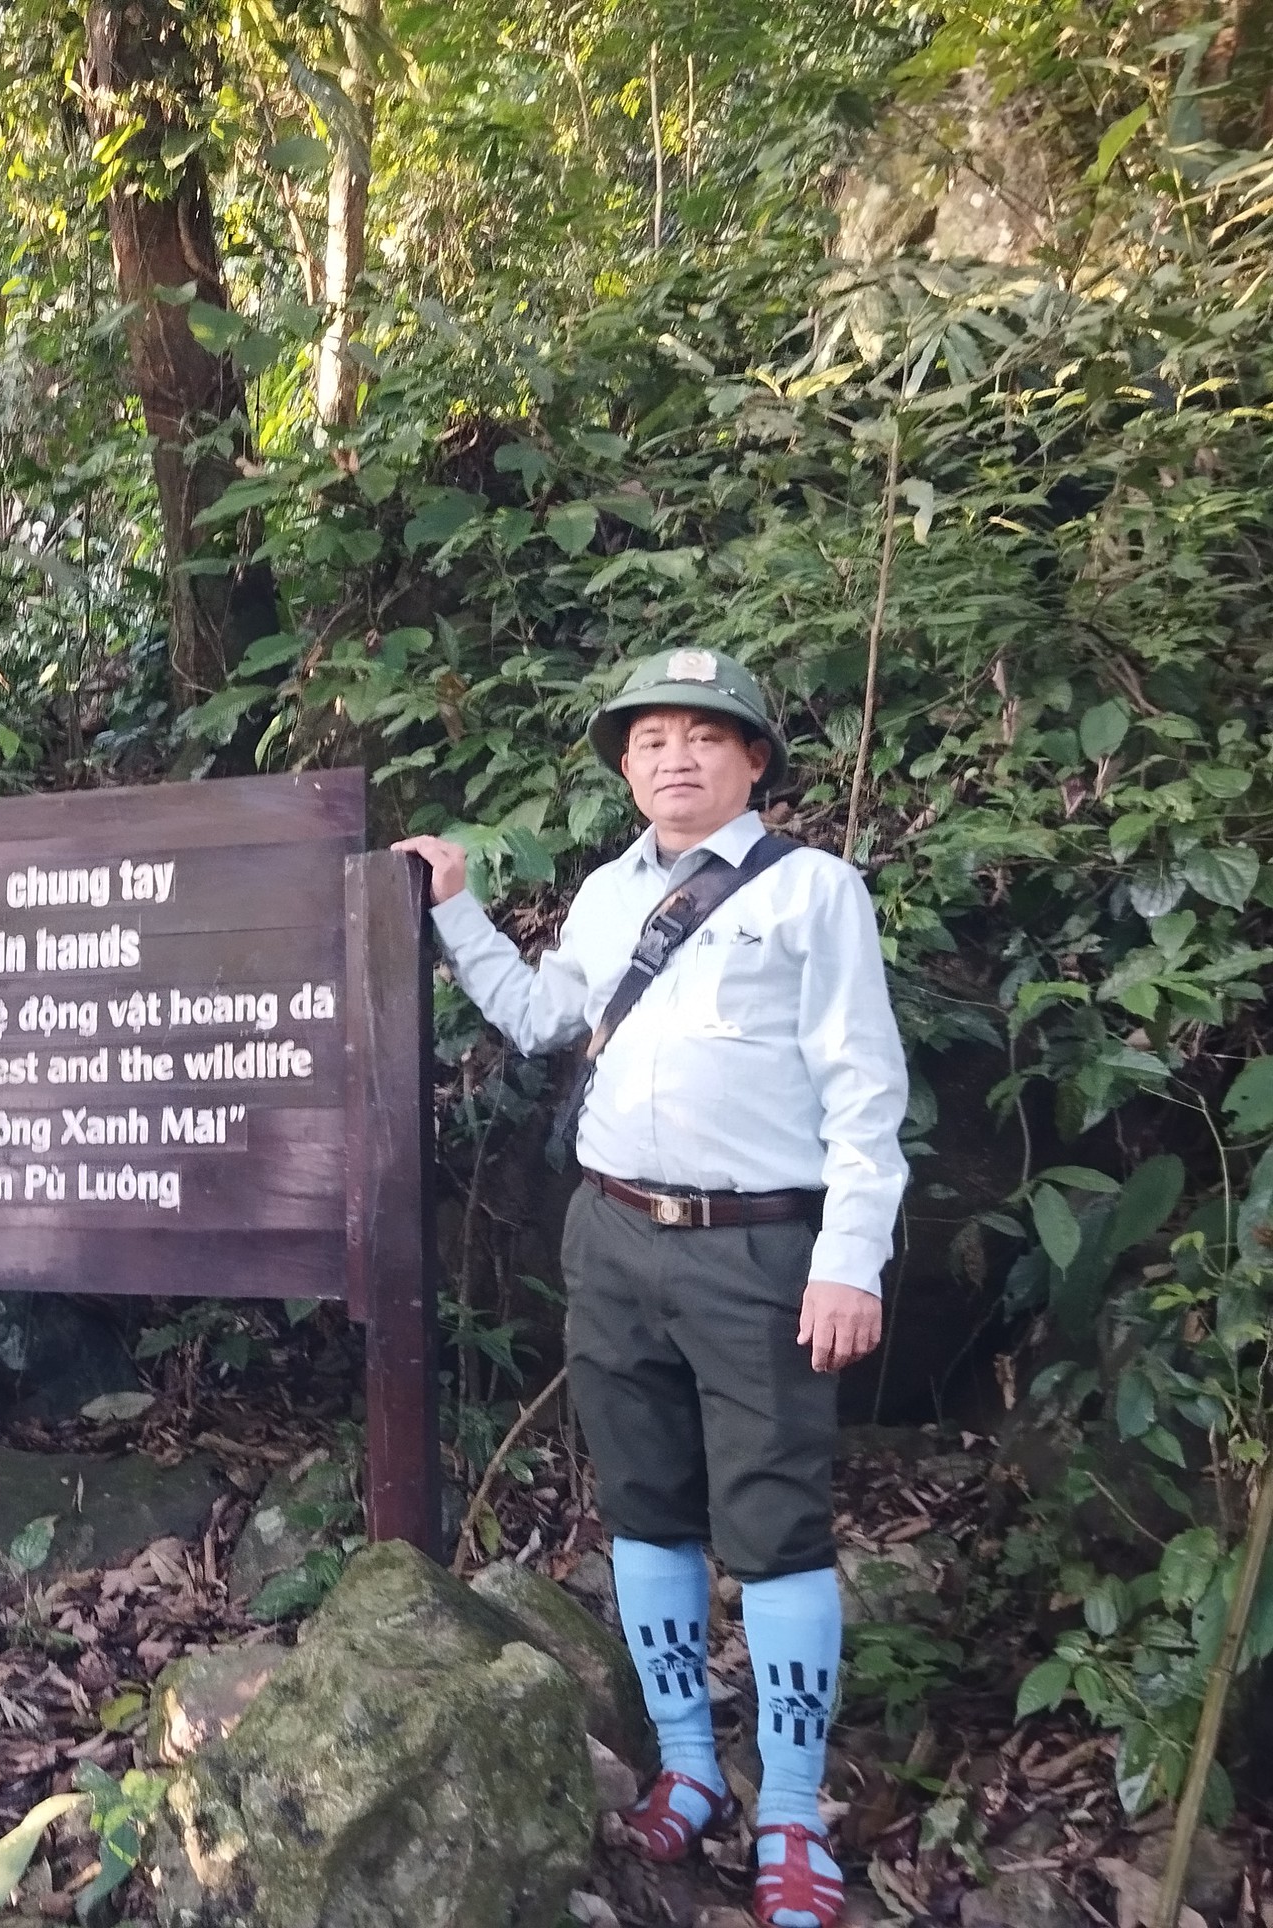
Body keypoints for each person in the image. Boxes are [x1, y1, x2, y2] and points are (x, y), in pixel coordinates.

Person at [394, 649, 906, 1928]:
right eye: (650, 738)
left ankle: (790, 1806)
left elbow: (863, 1087)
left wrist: (851, 1259)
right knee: (643, 1506)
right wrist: (452, 904)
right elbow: (538, 1014)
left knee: (778, 1523)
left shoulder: (811, 891)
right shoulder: (609, 892)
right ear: (624, 766)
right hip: (612, 1234)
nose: (674, 757)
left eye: (703, 735)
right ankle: (684, 1767)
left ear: (752, 760)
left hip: (760, 1248)